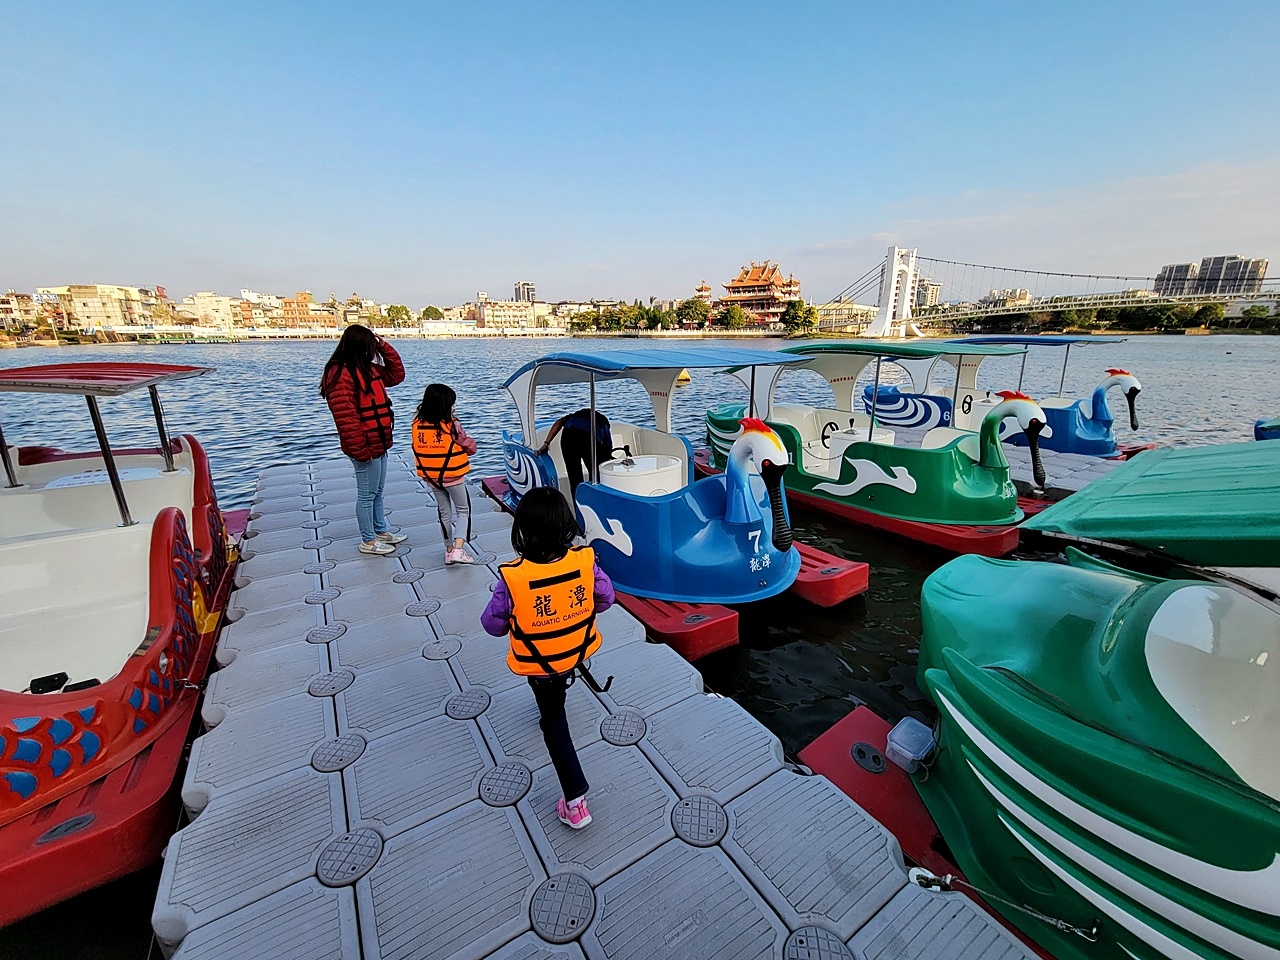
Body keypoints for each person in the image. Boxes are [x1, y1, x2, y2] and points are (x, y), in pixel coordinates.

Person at [481, 487, 614, 829]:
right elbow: (605, 599)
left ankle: (576, 802)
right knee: (556, 694)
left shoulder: (513, 577)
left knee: (554, 723)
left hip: (541, 665)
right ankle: (554, 703)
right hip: (574, 653)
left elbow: (491, 624)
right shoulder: (585, 562)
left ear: (522, 530)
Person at [319, 324, 407, 556]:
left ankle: (380, 531)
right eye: (370, 346)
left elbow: (397, 374)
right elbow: (345, 416)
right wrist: (360, 449)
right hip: (364, 445)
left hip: (379, 441)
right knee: (366, 494)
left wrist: (384, 345)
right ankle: (367, 540)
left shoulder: (368, 369)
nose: (373, 350)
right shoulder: (340, 374)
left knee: (377, 491)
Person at [412, 383, 478, 565]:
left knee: (444, 513)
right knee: (463, 511)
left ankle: (448, 550)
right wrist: (472, 445)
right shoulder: (452, 424)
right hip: (453, 476)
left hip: (432, 477)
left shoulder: (417, 423)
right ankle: (459, 549)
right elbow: (468, 446)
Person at [536, 408, 613, 496]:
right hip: (587, 438)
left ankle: (577, 503)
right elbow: (608, 446)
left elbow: (559, 422)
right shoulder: (603, 422)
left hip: (568, 436)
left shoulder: (573, 416)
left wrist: (546, 444)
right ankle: (595, 499)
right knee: (596, 475)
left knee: (574, 476)